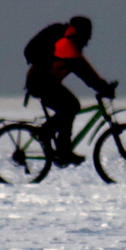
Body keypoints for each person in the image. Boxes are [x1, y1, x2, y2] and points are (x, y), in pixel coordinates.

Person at [25, 15, 115, 165]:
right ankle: (47, 135)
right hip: (40, 82)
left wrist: (101, 84)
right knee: (71, 106)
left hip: (45, 82)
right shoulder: (66, 44)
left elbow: (84, 67)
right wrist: (101, 87)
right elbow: (82, 70)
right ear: (83, 32)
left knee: (69, 108)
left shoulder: (70, 43)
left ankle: (62, 150)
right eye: (88, 35)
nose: (88, 40)